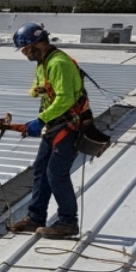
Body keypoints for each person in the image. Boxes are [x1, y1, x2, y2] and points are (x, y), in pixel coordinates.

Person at [9, 22, 88, 239]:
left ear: (35, 44)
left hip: (69, 126)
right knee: (41, 171)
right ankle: (35, 218)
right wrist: (37, 91)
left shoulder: (58, 63)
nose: (24, 54)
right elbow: (47, 89)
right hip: (54, 125)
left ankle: (68, 223)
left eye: (25, 49)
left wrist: (40, 120)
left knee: (56, 174)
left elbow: (66, 98)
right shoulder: (44, 63)